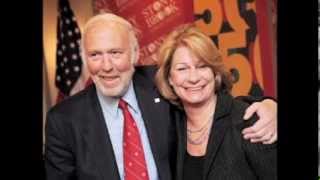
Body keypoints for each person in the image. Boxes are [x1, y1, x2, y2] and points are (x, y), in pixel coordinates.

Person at [45, 13, 277, 180]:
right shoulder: (63, 121)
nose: (106, 66)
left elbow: (214, 99)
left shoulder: (160, 83)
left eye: (116, 53)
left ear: (135, 54)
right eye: (95, 55)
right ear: (85, 59)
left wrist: (268, 105)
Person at [155, 24, 277, 180]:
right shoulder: (171, 125)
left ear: (215, 73)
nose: (193, 78)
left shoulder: (249, 121)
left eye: (202, 66)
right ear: (170, 78)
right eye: (182, 69)